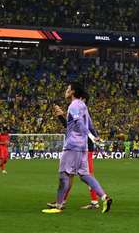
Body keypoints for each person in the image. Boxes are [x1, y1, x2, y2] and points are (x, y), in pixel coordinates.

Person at [42, 82, 112, 214]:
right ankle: (104, 197)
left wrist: (91, 137)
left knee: (64, 175)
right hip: (83, 147)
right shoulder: (83, 106)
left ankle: (58, 206)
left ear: (73, 92)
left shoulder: (73, 105)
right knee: (85, 175)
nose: (66, 90)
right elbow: (90, 125)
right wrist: (95, 138)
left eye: (68, 88)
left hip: (72, 146)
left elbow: (79, 122)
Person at [53, 93, 100, 210]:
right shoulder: (82, 110)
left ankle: (95, 201)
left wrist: (95, 137)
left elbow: (83, 128)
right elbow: (72, 128)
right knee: (70, 175)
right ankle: (62, 200)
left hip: (85, 148)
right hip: (82, 147)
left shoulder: (82, 111)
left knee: (86, 174)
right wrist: (61, 116)